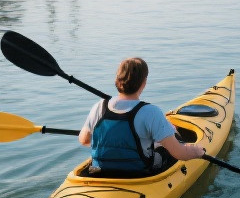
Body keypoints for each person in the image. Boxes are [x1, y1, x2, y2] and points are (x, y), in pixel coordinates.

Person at [78, 57, 206, 174]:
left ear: (116, 80)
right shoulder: (151, 112)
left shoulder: (99, 107)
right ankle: (171, 134)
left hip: (99, 171)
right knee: (172, 138)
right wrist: (196, 152)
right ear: (143, 82)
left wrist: (117, 144)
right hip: (139, 172)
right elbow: (179, 154)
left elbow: (84, 140)